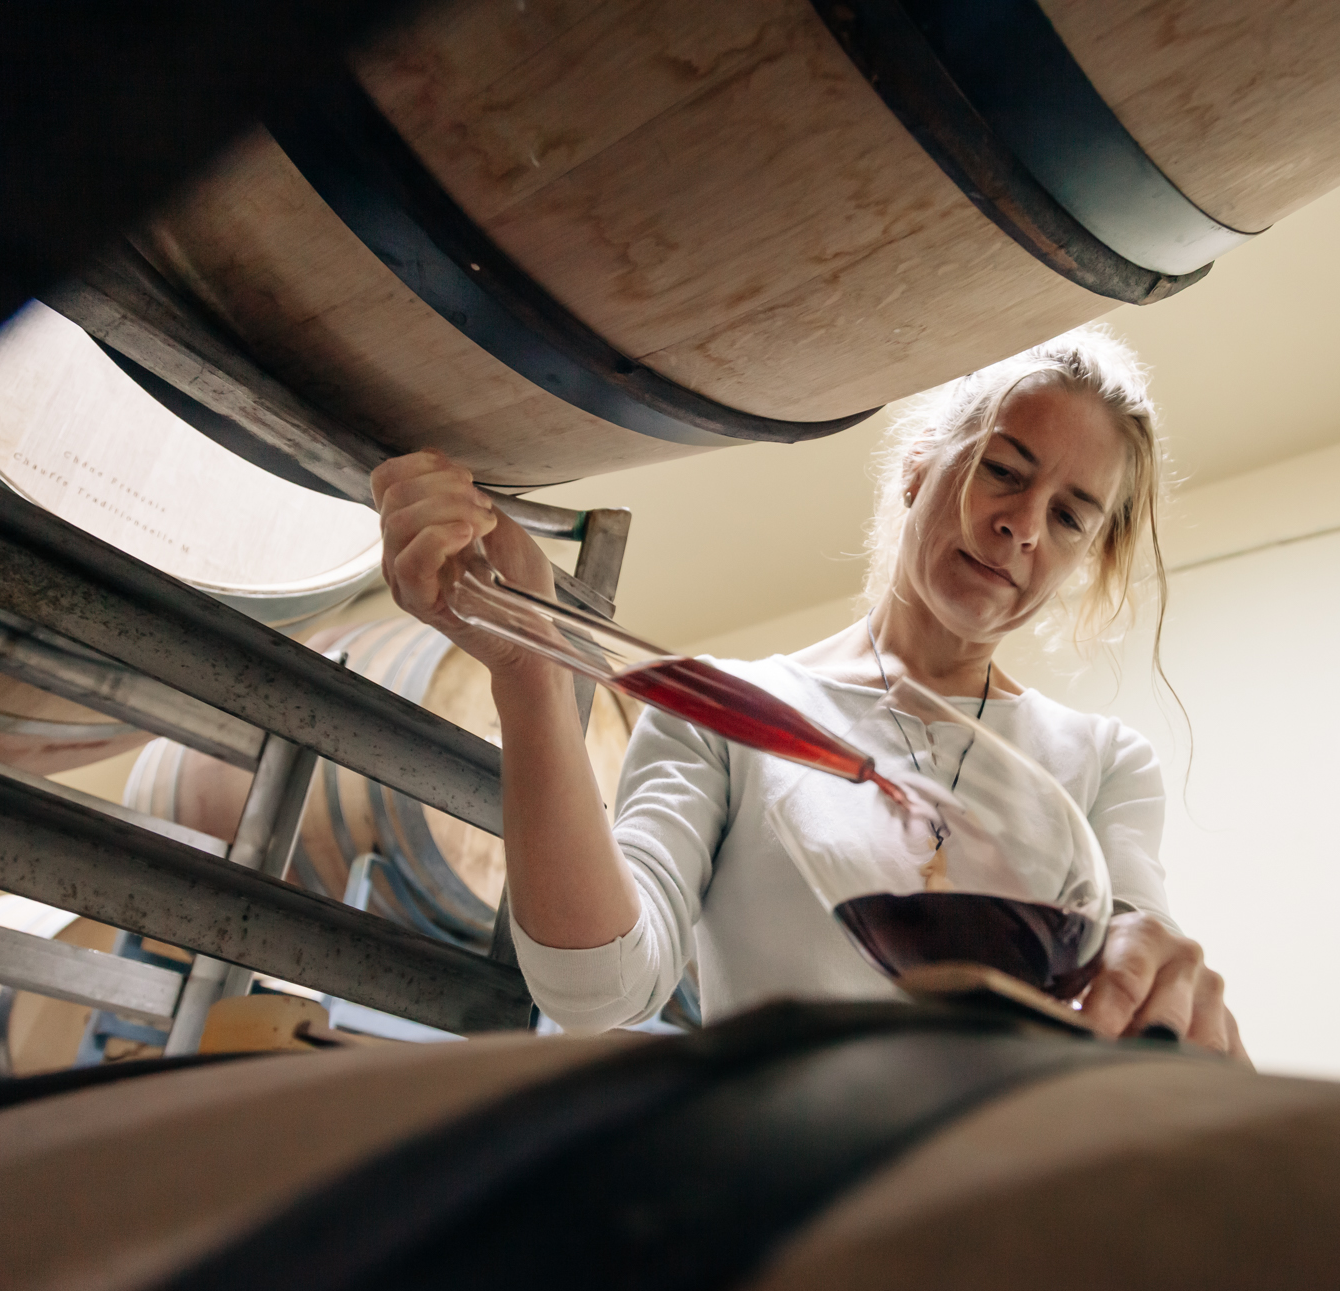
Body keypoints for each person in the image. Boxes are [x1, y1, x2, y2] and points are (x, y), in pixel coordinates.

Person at [373, 327, 1244, 1056]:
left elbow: (1128, 956)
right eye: (1005, 470)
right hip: (776, 1201)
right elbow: (600, 988)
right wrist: (530, 673)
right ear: (918, 467)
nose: (1022, 526)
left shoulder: (1102, 763)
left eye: (1068, 517)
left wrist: (1151, 965)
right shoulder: (719, 709)